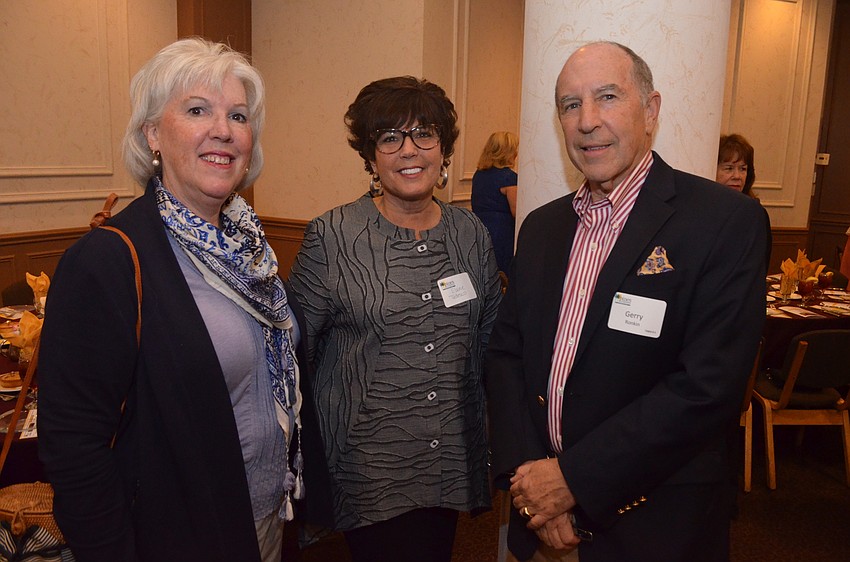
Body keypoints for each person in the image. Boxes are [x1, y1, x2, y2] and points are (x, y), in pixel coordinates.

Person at [37, 38, 332, 561]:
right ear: (152, 133)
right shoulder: (106, 261)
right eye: (197, 110)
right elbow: (74, 447)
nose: (224, 130)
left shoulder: (249, 251)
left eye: (237, 115)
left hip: (266, 518)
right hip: (177, 536)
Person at [485, 41, 768, 561]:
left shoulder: (724, 222)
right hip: (539, 521)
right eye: (571, 104)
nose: (587, 121)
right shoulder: (542, 227)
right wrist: (533, 486)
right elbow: (507, 355)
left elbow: (708, 387)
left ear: (651, 111)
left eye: (608, 97)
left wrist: (573, 481)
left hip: (654, 528)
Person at [287, 75, 502, 562]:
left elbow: (491, 343)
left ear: (444, 149)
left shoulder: (470, 233)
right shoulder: (333, 236)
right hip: (368, 468)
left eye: (424, 133)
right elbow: (296, 354)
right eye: (390, 137)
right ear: (370, 156)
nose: (409, 150)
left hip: (450, 457)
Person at [471, 131, 519, 274]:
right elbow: (516, 212)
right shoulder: (509, 177)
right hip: (501, 232)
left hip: (479, 228)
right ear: (507, 152)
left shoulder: (478, 174)